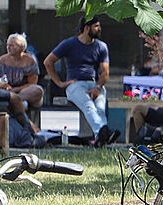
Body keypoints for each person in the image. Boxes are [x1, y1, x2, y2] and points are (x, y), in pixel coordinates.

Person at [44, 16, 120, 146]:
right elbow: (48, 62)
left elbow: (105, 72)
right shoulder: (69, 44)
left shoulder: (101, 46)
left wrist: (98, 87)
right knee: (89, 105)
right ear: (86, 28)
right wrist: (60, 83)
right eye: (96, 26)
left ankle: (100, 139)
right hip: (75, 84)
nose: (99, 29)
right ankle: (103, 133)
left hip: (95, 83)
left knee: (100, 108)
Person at [0, 33, 44, 109]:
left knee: (38, 90)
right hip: (7, 90)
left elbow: (32, 83)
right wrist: (7, 87)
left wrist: (16, 90)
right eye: (7, 45)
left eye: (12, 45)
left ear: (21, 47)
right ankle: (15, 101)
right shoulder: (2, 60)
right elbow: (1, 80)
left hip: (24, 91)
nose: (8, 47)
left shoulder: (30, 61)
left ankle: (15, 100)